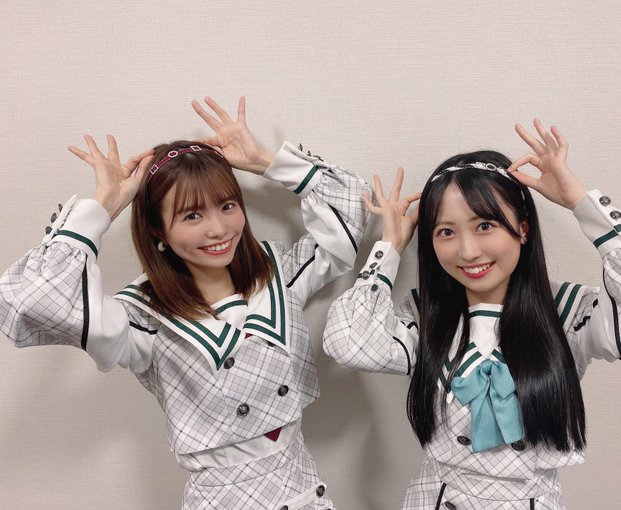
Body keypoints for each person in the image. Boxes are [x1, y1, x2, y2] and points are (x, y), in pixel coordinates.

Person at [0, 97, 370, 510]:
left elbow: (354, 208)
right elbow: (26, 302)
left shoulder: (277, 271)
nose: (219, 229)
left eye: (227, 205)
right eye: (192, 216)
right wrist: (104, 206)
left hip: (304, 489)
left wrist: (264, 162)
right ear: (158, 230)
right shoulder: (142, 316)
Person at [323, 119, 621, 509]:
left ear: (523, 229)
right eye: (446, 232)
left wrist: (580, 200)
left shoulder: (567, 312)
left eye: (485, 225)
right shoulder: (427, 319)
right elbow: (348, 342)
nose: (468, 251)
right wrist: (389, 247)